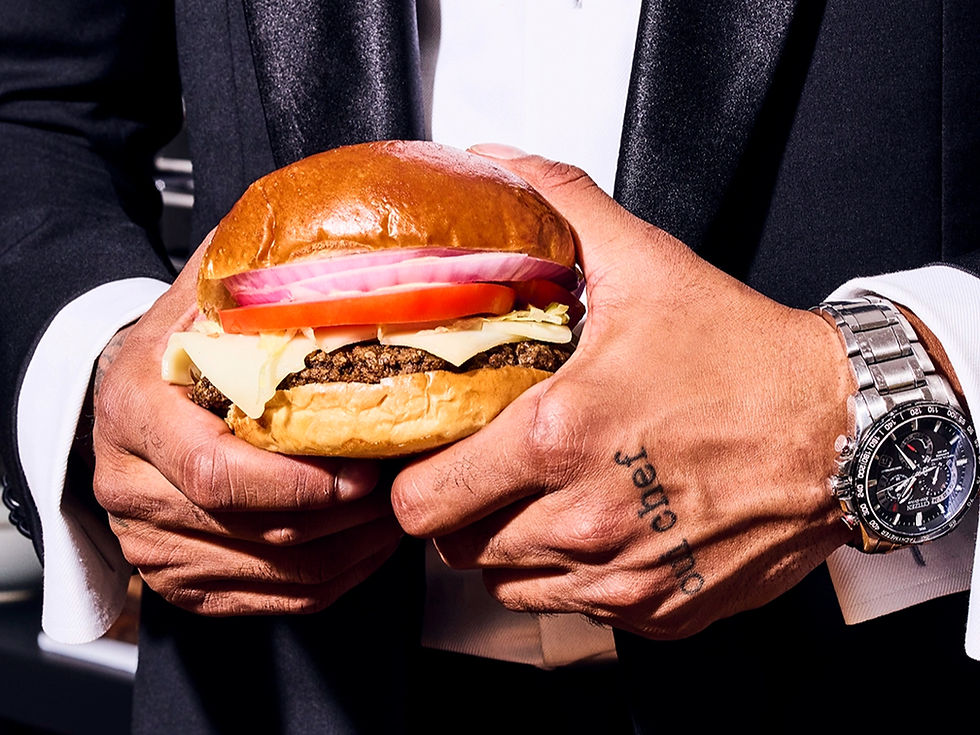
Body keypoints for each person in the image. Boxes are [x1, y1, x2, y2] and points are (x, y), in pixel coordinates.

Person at [2, 0, 978, 732]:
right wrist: (97, 377)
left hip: (867, 673)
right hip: (282, 683)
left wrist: (896, 383)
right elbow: (31, 106)